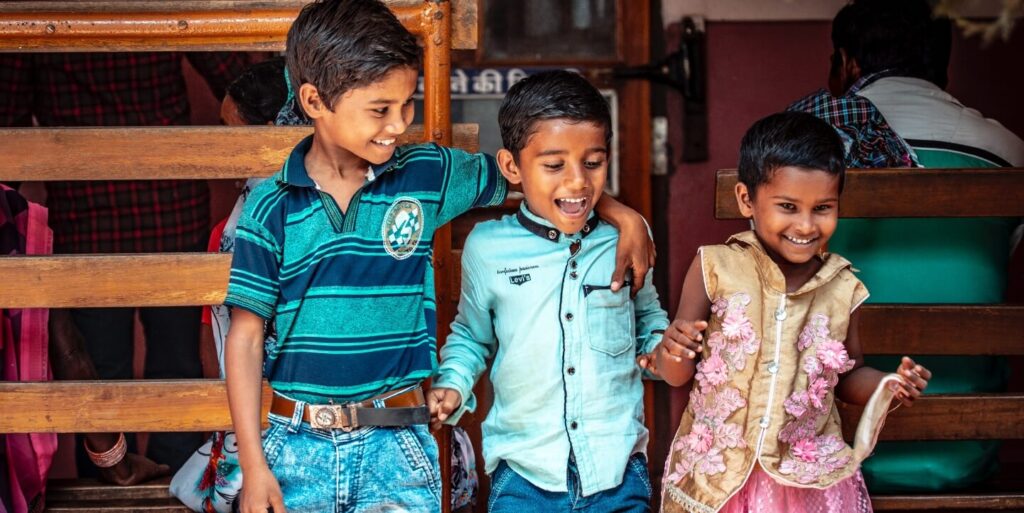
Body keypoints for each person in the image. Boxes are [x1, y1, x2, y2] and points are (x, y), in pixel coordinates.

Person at [223, 2, 652, 512]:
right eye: (381, 109)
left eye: (408, 105)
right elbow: (245, 339)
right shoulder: (270, 208)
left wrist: (623, 215)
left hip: (398, 442)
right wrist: (253, 465)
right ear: (315, 100)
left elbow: (543, 180)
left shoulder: (425, 174)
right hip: (294, 444)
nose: (400, 125)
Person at [656, 112, 932, 513]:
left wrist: (889, 383)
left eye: (822, 207)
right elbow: (676, 374)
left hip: (807, 479)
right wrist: (674, 349)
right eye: (788, 206)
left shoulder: (843, 287)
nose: (805, 225)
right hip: (721, 477)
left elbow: (849, 375)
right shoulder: (714, 268)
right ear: (746, 200)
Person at [429, 70, 669, 513]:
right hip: (525, 475)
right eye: (555, 165)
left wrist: (663, 352)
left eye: (593, 163)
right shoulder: (487, 248)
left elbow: (649, 323)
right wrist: (454, 385)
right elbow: (472, 337)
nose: (577, 182)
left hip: (616, 470)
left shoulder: (626, 238)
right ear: (512, 168)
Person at [0, 51, 250, 474]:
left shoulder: (49, 21)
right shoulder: (162, 7)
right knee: (180, 364)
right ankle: (181, 477)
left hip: (86, 216)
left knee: (98, 372)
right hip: (171, 206)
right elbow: (234, 74)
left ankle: (111, 479)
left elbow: (9, 118)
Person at [814, 0, 1024, 493]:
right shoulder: (1009, 154)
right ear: (942, 66)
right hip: (965, 450)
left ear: (847, 63)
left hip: (827, 458)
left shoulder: (802, 155)